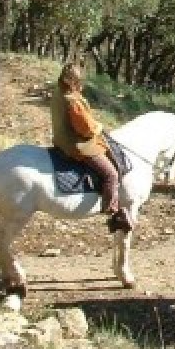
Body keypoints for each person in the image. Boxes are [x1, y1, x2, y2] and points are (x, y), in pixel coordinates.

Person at [49, 62, 132, 233]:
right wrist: (98, 127)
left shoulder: (58, 93)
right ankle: (112, 213)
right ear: (72, 81)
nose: (81, 85)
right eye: (78, 82)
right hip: (77, 145)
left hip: (61, 140)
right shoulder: (73, 101)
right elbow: (85, 129)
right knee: (111, 174)